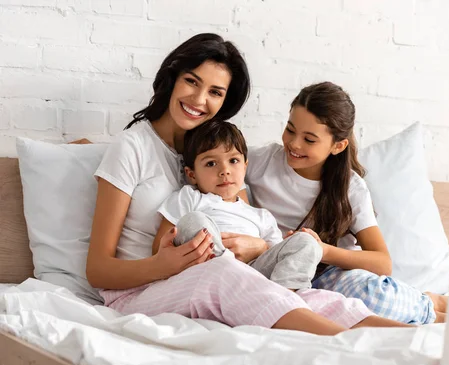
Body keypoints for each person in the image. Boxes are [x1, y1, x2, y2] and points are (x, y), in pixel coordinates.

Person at [85, 33, 411, 335]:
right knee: (224, 274)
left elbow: (247, 226)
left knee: (295, 289)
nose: (199, 99)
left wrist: (261, 248)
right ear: (172, 78)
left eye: (215, 92)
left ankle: (401, 338)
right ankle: (339, 339)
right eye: (191, 81)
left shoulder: (220, 156)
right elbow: (98, 271)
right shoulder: (132, 148)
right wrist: (159, 265)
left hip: (214, 276)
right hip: (138, 294)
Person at [241, 82, 448, 324]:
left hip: (332, 274)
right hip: (283, 273)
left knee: (373, 297)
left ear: (337, 146)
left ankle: (432, 304)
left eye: (309, 139)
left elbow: (382, 262)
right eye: (290, 129)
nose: (294, 144)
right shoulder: (260, 162)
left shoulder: (351, 187)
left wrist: (323, 250)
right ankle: (428, 305)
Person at [153, 119, 322, 290]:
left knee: (306, 241)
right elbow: (160, 247)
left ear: (245, 166)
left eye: (233, 161)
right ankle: (228, 277)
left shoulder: (261, 216)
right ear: (192, 174)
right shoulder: (189, 197)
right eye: (211, 163)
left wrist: (261, 248)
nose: (224, 170)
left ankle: (284, 296)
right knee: (193, 220)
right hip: (211, 274)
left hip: (255, 274)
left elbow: (277, 254)